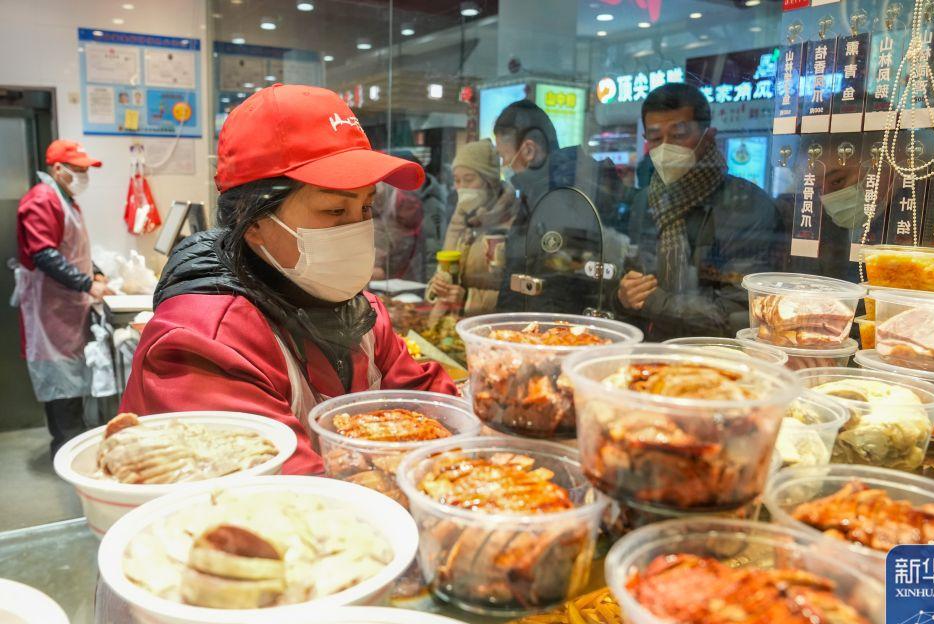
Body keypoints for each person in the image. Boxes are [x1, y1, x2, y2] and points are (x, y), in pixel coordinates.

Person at [121, 84, 456, 474]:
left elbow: (434, 410)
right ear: (253, 222)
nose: (357, 229)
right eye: (334, 210)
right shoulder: (201, 346)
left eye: (367, 207)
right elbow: (289, 495)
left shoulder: (359, 312)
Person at [617, 83, 785, 340]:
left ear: (708, 136)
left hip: (715, 351)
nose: (665, 148)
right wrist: (623, 294)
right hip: (650, 346)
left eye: (678, 135)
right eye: (655, 138)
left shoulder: (748, 205)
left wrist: (653, 301)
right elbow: (632, 274)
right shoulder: (646, 201)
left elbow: (741, 310)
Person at [16, 139, 109, 456]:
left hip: (67, 305)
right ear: (58, 169)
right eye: (78, 169)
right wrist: (87, 283)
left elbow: (72, 248)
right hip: (51, 307)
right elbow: (45, 254)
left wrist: (95, 272)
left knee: (70, 379)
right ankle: (67, 452)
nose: (84, 176)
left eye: (86, 170)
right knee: (61, 379)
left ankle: (71, 445)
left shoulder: (65, 199)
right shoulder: (42, 199)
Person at [492, 100, 626, 314]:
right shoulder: (538, 191)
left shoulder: (562, 195)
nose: (504, 165)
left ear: (528, 150)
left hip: (554, 325)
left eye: (503, 156)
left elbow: (560, 280)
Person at [427, 139, 517, 316]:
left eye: (468, 180)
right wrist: (436, 288)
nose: (461, 188)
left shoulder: (514, 221)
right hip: (452, 326)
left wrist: (467, 299)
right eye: (457, 180)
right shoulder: (459, 220)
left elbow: (517, 299)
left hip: (488, 328)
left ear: (490, 181)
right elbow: (444, 273)